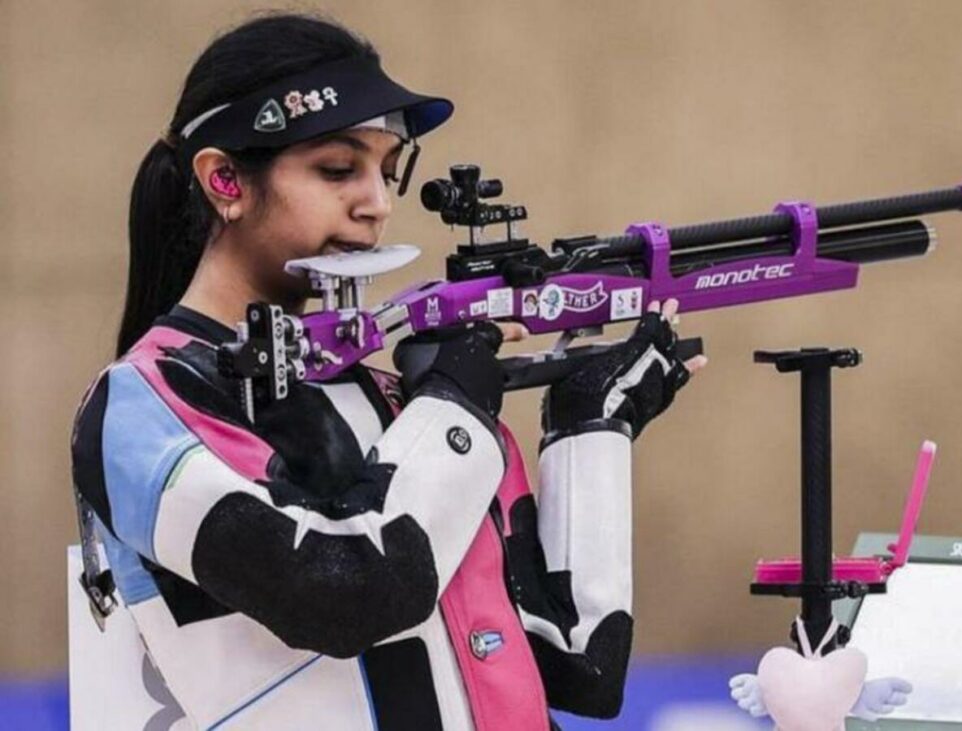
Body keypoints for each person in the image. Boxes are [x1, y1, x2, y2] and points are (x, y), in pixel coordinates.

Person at [69, 13, 702, 730]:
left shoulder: (412, 404)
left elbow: (578, 666)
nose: (379, 204)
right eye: (338, 168)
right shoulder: (139, 407)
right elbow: (345, 595)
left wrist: (591, 424)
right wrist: (460, 406)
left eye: (389, 169)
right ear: (224, 179)